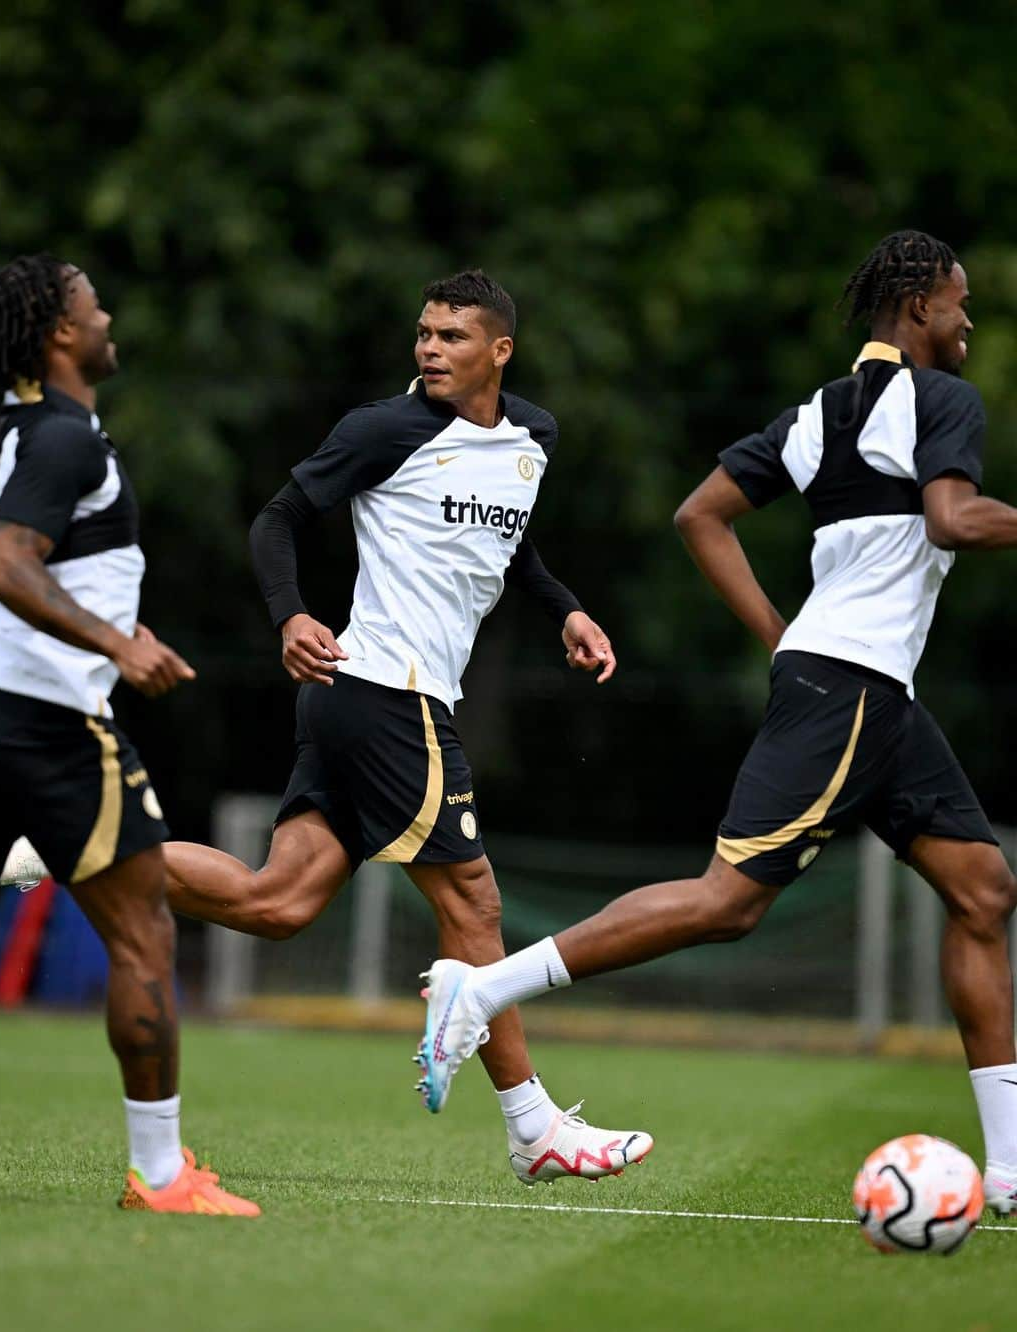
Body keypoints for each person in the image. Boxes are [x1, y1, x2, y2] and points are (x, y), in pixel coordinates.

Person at [417, 231, 1017, 1217]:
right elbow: (952, 517)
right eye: (959, 304)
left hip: (871, 691)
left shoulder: (817, 413)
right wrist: (800, 644)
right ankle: (481, 990)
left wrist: (781, 637)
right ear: (918, 310)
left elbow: (701, 513)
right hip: (851, 688)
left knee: (984, 888)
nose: (969, 322)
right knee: (726, 902)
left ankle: (1007, 1170)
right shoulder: (946, 399)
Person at [162, 270, 653, 1185]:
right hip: (389, 692)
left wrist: (565, 611)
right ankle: (532, 1126)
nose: (430, 348)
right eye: (424, 333)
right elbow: (278, 518)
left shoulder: (532, 436)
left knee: (277, 903)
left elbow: (512, 541)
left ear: (499, 351)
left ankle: (85, 846)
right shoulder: (383, 430)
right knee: (473, 906)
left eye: (453, 336)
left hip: (368, 702)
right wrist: (289, 615)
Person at [0, 254, 259, 1216]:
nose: (108, 316)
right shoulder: (68, 438)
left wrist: (90, 618)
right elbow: (1, 567)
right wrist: (114, 642)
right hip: (48, 719)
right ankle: (161, 1178)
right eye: (92, 306)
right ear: (60, 335)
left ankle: (161, 1174)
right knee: (145, 933)